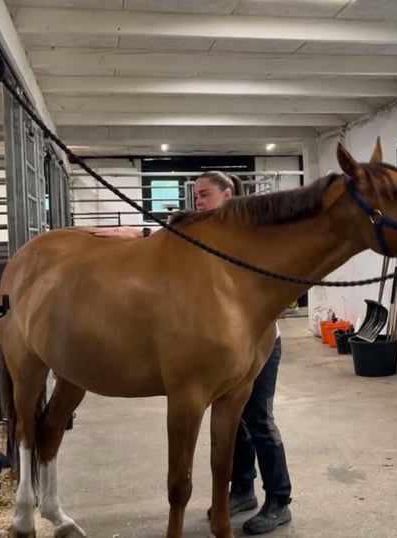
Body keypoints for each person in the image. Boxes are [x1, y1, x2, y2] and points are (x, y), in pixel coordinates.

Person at [88, 171, 293, 534]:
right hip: (225, 341)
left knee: (259, 419)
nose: (197, 202)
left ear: (227, 194)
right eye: (195, 196)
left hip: (258, 341)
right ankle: (242, 490)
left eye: (204, 195)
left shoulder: (246, 229)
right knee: (235, 423)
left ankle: (279, 500)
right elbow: (177, 238)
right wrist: (137, 234)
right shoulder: (207, 228)